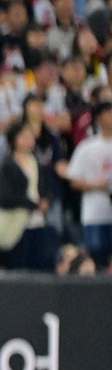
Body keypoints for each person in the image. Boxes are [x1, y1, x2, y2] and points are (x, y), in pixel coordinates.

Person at [0, 118, 55, 271]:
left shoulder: (37, 163)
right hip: (16, 224)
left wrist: (46, 201)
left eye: (31, 136)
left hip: (37, 222)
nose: (29, 140)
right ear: (14, 139)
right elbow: (4, 197)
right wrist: (32, 204)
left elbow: (47, 188)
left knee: (39, 265)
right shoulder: (7, 166)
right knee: (19, 267)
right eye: (24, 136)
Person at [64, 101, 112, 269]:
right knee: (97, 259)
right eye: (108, 113)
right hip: (95, 213)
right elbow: (73, 179)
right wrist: (96, 186)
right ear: (98, 118)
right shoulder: (87, 147)